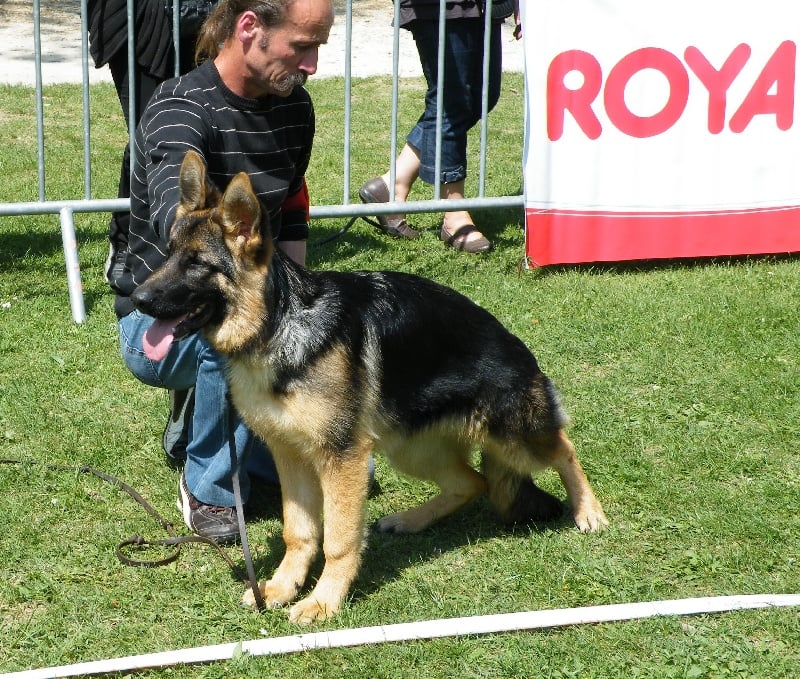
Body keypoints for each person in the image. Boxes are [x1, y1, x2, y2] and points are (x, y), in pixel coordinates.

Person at [105, 0, 335, 543]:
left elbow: (292, 209)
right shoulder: (180, 107)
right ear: (250, 28)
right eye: (302, 46)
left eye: (317, 47)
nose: (312, 65)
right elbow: (171, 202)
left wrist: (300, 306)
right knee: (234, 328)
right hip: (158, 319)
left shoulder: (293, 108)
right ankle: (207, 486)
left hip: (254, 292)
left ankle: (235, 437)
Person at [359, 0, 521, 254]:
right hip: (438, 5)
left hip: (485, 5)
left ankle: (392, 184)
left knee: (482, 97)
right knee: (450, 100)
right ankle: (454, 213)